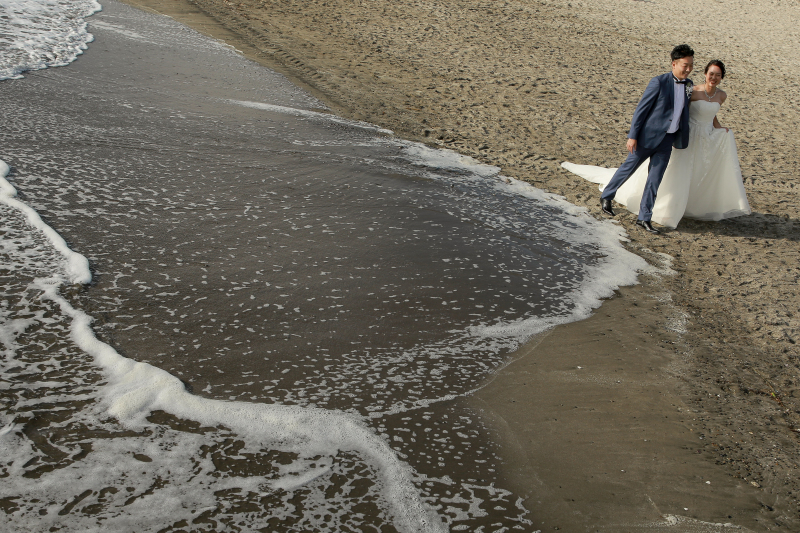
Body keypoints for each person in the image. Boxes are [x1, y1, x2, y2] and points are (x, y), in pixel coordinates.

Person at [562, 58, 751, 230]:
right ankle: (607, 195)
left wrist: (719, 128)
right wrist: (633, 135)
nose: (713, 77)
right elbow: (642, 109)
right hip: (649, 135)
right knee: (630, 166)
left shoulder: (694, 88)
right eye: (711, 74)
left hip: (673, 138)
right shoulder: (664, 83)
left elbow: (708, 114)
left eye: (718, 75)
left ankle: (644, 217)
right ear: (675, 64)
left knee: (656, 178)